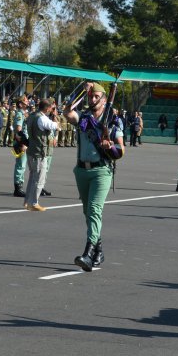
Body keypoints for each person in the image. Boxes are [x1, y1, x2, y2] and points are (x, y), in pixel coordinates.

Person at [65, 82, 123, 272]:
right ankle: (99, 250)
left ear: (104, 100)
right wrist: (80, 90)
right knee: (87, 212)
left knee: (94, 209)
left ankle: (88, 254)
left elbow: (121, 150)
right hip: (81, 170)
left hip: (101, 170)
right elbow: (67, 111)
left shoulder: (113, 120)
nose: (92, 99)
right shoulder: (84, 117)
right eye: (91, 96)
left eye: (96, 96)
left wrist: (110, 147)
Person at [23, 98, 59, 211]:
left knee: (32, 178)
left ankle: (27, 202)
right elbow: (55, 126)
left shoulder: (32, 115)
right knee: (39, 179)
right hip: (39, 153)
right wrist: (55, 116)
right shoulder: (42, 118)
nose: (52, 110)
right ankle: (34, 203)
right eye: (51, 108)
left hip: (31, 150)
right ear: (47, 108)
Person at [11, 96, 28, 197]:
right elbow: (18, 129)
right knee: (20, 165)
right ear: (20, 104)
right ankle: (18, 188)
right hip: (21, 142)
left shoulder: (24, 113)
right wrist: (23, 143)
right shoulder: (19, 114)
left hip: (24, 141)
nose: (27, 102)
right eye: (25, 101)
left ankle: (20, 186)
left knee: (23, 164)